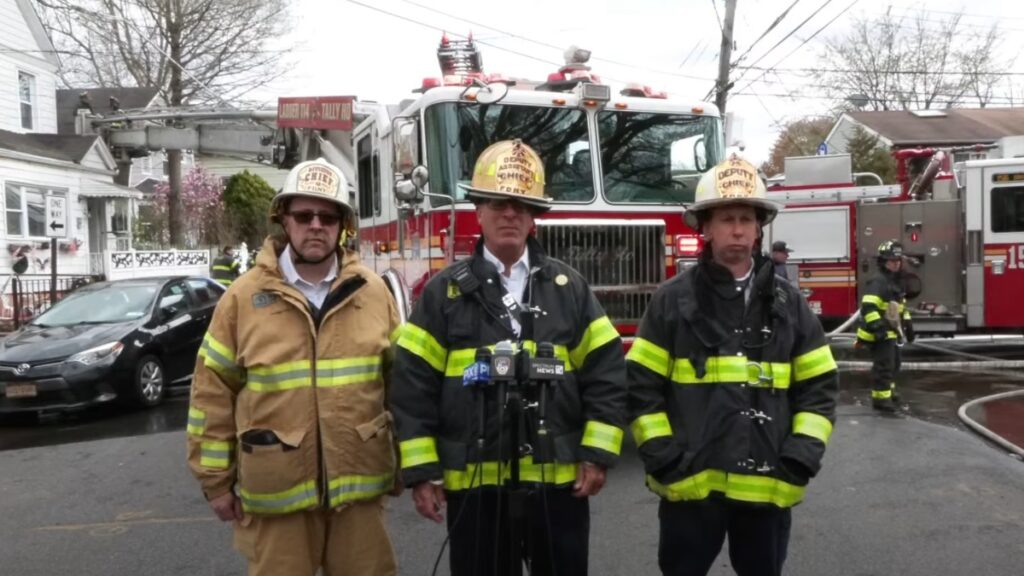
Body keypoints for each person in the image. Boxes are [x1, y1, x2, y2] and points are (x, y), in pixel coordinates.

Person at [391, 139, 627, 576]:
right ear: (478, 211)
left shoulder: (569, 288)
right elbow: (412, 386)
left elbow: (607, 374)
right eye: (498, 203)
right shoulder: (445, 293)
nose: (510, 214)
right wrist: (422, 472)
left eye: (521, 205)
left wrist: (596, 454)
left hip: (558, 485)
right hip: (475, 486)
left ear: (534, 216)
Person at [186, 158, 401, 576]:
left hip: (358, 492)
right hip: (276, 496)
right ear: (284, 219)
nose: (315, 226)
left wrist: (414, 466)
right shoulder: (242, 299)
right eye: (304, 216)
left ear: (343, 226)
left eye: (328, 216)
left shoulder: (374, 293)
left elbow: (401, 385)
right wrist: (215, 481)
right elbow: (211, 395)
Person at [627, 155, 839, 576]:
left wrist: (800, 456)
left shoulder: (789, 303)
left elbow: (819, 386)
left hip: (769, 483)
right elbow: (640, 386)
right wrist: (663, 457)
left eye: (746, 219)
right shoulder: (671, 300)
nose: (738, 229)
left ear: (759, 228)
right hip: (690, 486)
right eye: (726, 219)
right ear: (706, 227)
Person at [856, 239, 914, 412]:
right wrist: (878, 327)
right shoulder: (878, 281)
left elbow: (900, 306)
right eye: (892, 260)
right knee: (884, 366)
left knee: (894, 364)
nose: (896, 264)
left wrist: (908, 323)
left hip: (892, 331)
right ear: (883, 261)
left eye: (898, 260)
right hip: (879, 332)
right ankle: (880, 399)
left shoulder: (895, 280)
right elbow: (868, 307)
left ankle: (889, 392)